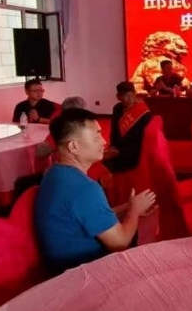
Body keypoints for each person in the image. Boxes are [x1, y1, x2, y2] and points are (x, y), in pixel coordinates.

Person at [34, 108, 157, 273]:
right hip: (82, 271)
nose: (104, 141)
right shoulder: (85, 189)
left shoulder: (54, 172)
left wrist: (128, 207)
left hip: (58, 265)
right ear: (74, 146)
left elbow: (87, 215)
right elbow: (120, 243)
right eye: (96, 136)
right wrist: (134, 211)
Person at [105, 82, 152, 173]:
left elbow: (142, 140)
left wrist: (120, 152)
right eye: (125, 96)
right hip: (117, 148)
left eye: (131, 95)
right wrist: (112, 146)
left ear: (134, 94)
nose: (129, 98)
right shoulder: (117, 108)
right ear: (118, 97)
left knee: (106, 167)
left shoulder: (144, 114)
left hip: (132, 153)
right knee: (98, 162)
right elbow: (114, 131)